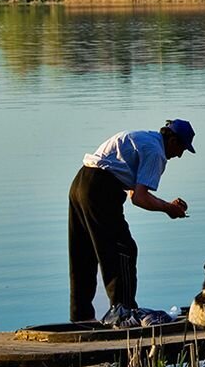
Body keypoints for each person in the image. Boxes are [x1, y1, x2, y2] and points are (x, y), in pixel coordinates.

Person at [68, 119, 196, 322]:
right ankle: (124, 315)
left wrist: (168, 205)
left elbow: (132, 192)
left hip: (80, 183)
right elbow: (139, 198)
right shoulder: (156, 152)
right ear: (171, 139)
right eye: (181, 147)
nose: (179, 155)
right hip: (100, 190)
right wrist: (167, 209)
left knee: (83, 254)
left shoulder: (144, 138)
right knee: (124, 250)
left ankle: (80, 317)